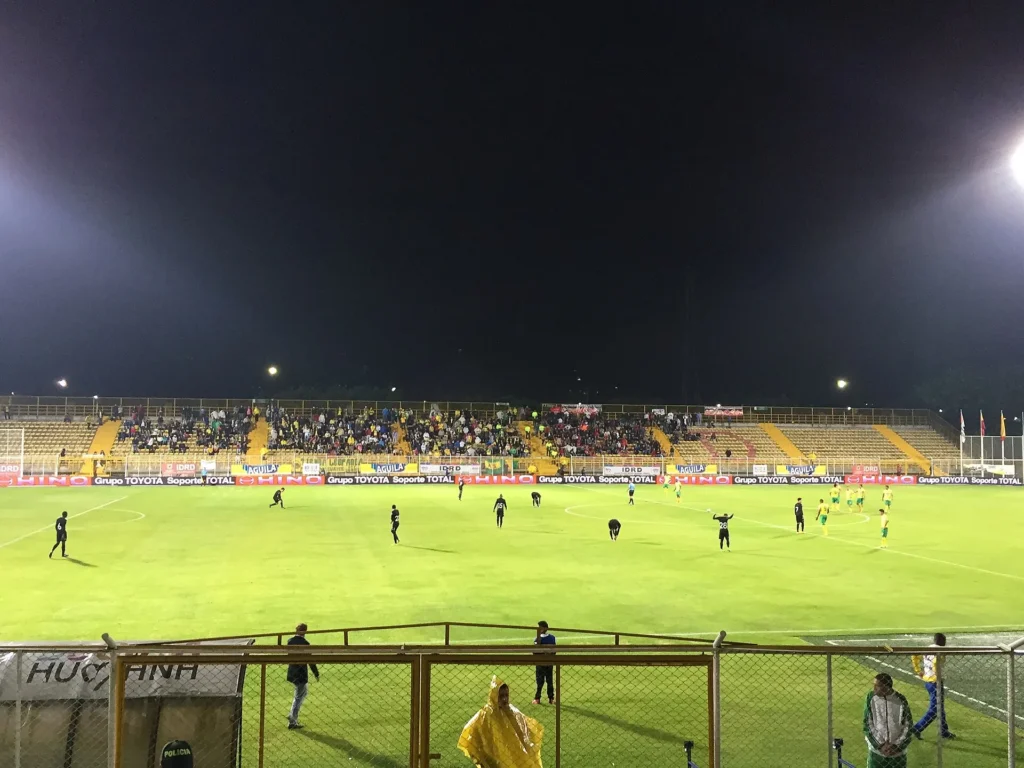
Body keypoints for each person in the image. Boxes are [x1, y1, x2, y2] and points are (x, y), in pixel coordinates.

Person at [458, 676, 544, 768]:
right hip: (493, 759)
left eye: (506, 695)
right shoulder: (486, 714)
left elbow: (525, 732)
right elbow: (470, 732)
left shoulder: (513, 712)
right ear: (494, 696)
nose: (504, 699)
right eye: (501, 696)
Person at [863, 673, 913, 768]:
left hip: (897, 754)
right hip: (877, 753)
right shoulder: (871, 697)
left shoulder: (901, 700)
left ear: (886, 687)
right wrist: (880, 745)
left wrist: (896, 746)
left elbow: (908, 725)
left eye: (877, 686)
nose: (874, 688)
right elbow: (867, 723)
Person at [911, 633, 955, 740]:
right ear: (943, 642)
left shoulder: (928, 648)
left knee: (940, 706)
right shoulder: (940, 650)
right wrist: (937, 676)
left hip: (928, 680)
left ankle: (943, 731)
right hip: (935, 682)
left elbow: (914, 655)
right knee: (935, 709)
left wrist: (918, 670)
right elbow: (936, 662)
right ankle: (917, 728)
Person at [286, 623, 319, 730]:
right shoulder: (305, 643)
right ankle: (292, 720)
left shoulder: (290, 641)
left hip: (292, 672)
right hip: (301, 673)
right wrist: (316, 673)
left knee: (302, 693)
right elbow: (310, 660)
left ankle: (291, 714)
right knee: (299, 696)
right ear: (305, 632)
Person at [532, 621, 556, 705]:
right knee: (542, 681)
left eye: (540, 627)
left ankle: (548, 698)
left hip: (545, 663)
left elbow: (553, 650)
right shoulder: (538, 639)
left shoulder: (550, 638)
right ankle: (540, 698)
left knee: (547, 681)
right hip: (544, 663)